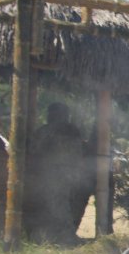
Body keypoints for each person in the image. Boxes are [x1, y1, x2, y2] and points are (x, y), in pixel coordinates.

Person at [24, 102, 87, 244]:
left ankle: (62, 238)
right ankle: (62, 236)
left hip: (53, 175)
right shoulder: (74, 131)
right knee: (67, 205)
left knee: (55, 207)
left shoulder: (46, 131)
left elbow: (33, 150)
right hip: (74, 175)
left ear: (53, 114)